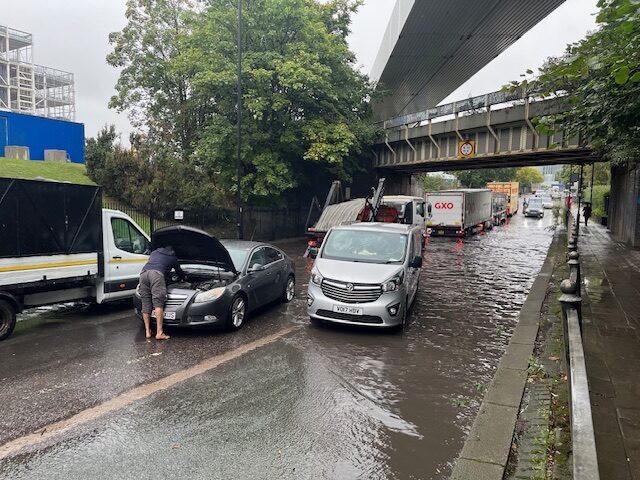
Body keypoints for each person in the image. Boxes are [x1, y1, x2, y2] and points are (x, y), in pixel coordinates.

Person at [138, 245, 183, 340]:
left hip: (143, 273)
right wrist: (183, 278)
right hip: (156, 275)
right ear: (173, 251)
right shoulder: (172, 257)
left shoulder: (154, 252)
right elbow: (179, 272)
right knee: (158, 303)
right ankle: (159, 333)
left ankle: (147, 331)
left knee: (146, 302)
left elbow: (154, 262)